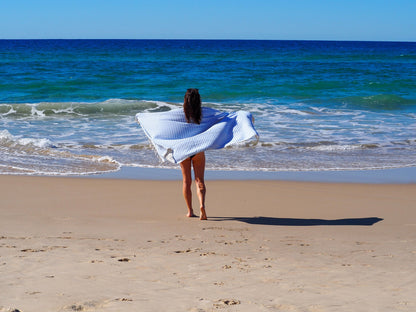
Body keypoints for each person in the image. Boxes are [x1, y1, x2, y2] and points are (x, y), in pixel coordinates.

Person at [179, 88, 207, 220]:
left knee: (187, 181)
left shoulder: (179, 114)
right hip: (198, 149)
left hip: (184, 150)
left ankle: (190, 211)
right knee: (199, 180)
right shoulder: (204, 114)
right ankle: (202, 206)